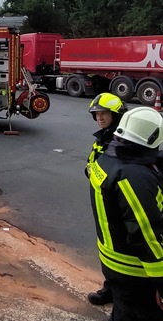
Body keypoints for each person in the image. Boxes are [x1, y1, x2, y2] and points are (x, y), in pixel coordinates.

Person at [88, 107, 163, 321]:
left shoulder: (105, 159)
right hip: (135, 270)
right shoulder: (134, 177)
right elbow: (144, 235)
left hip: (113, 260)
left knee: (123, 310)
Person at [84, 92, 128, 305]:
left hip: (118, 205)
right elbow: (91, 164)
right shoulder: (102, 138)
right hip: (103, 203)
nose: (99, 118)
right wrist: (91, 170)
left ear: (116, 115)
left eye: (104, 114)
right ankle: (111, 287)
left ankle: (121, 293)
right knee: (108, 247)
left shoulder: (122, 142)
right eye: (97, 114)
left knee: (121, 250)